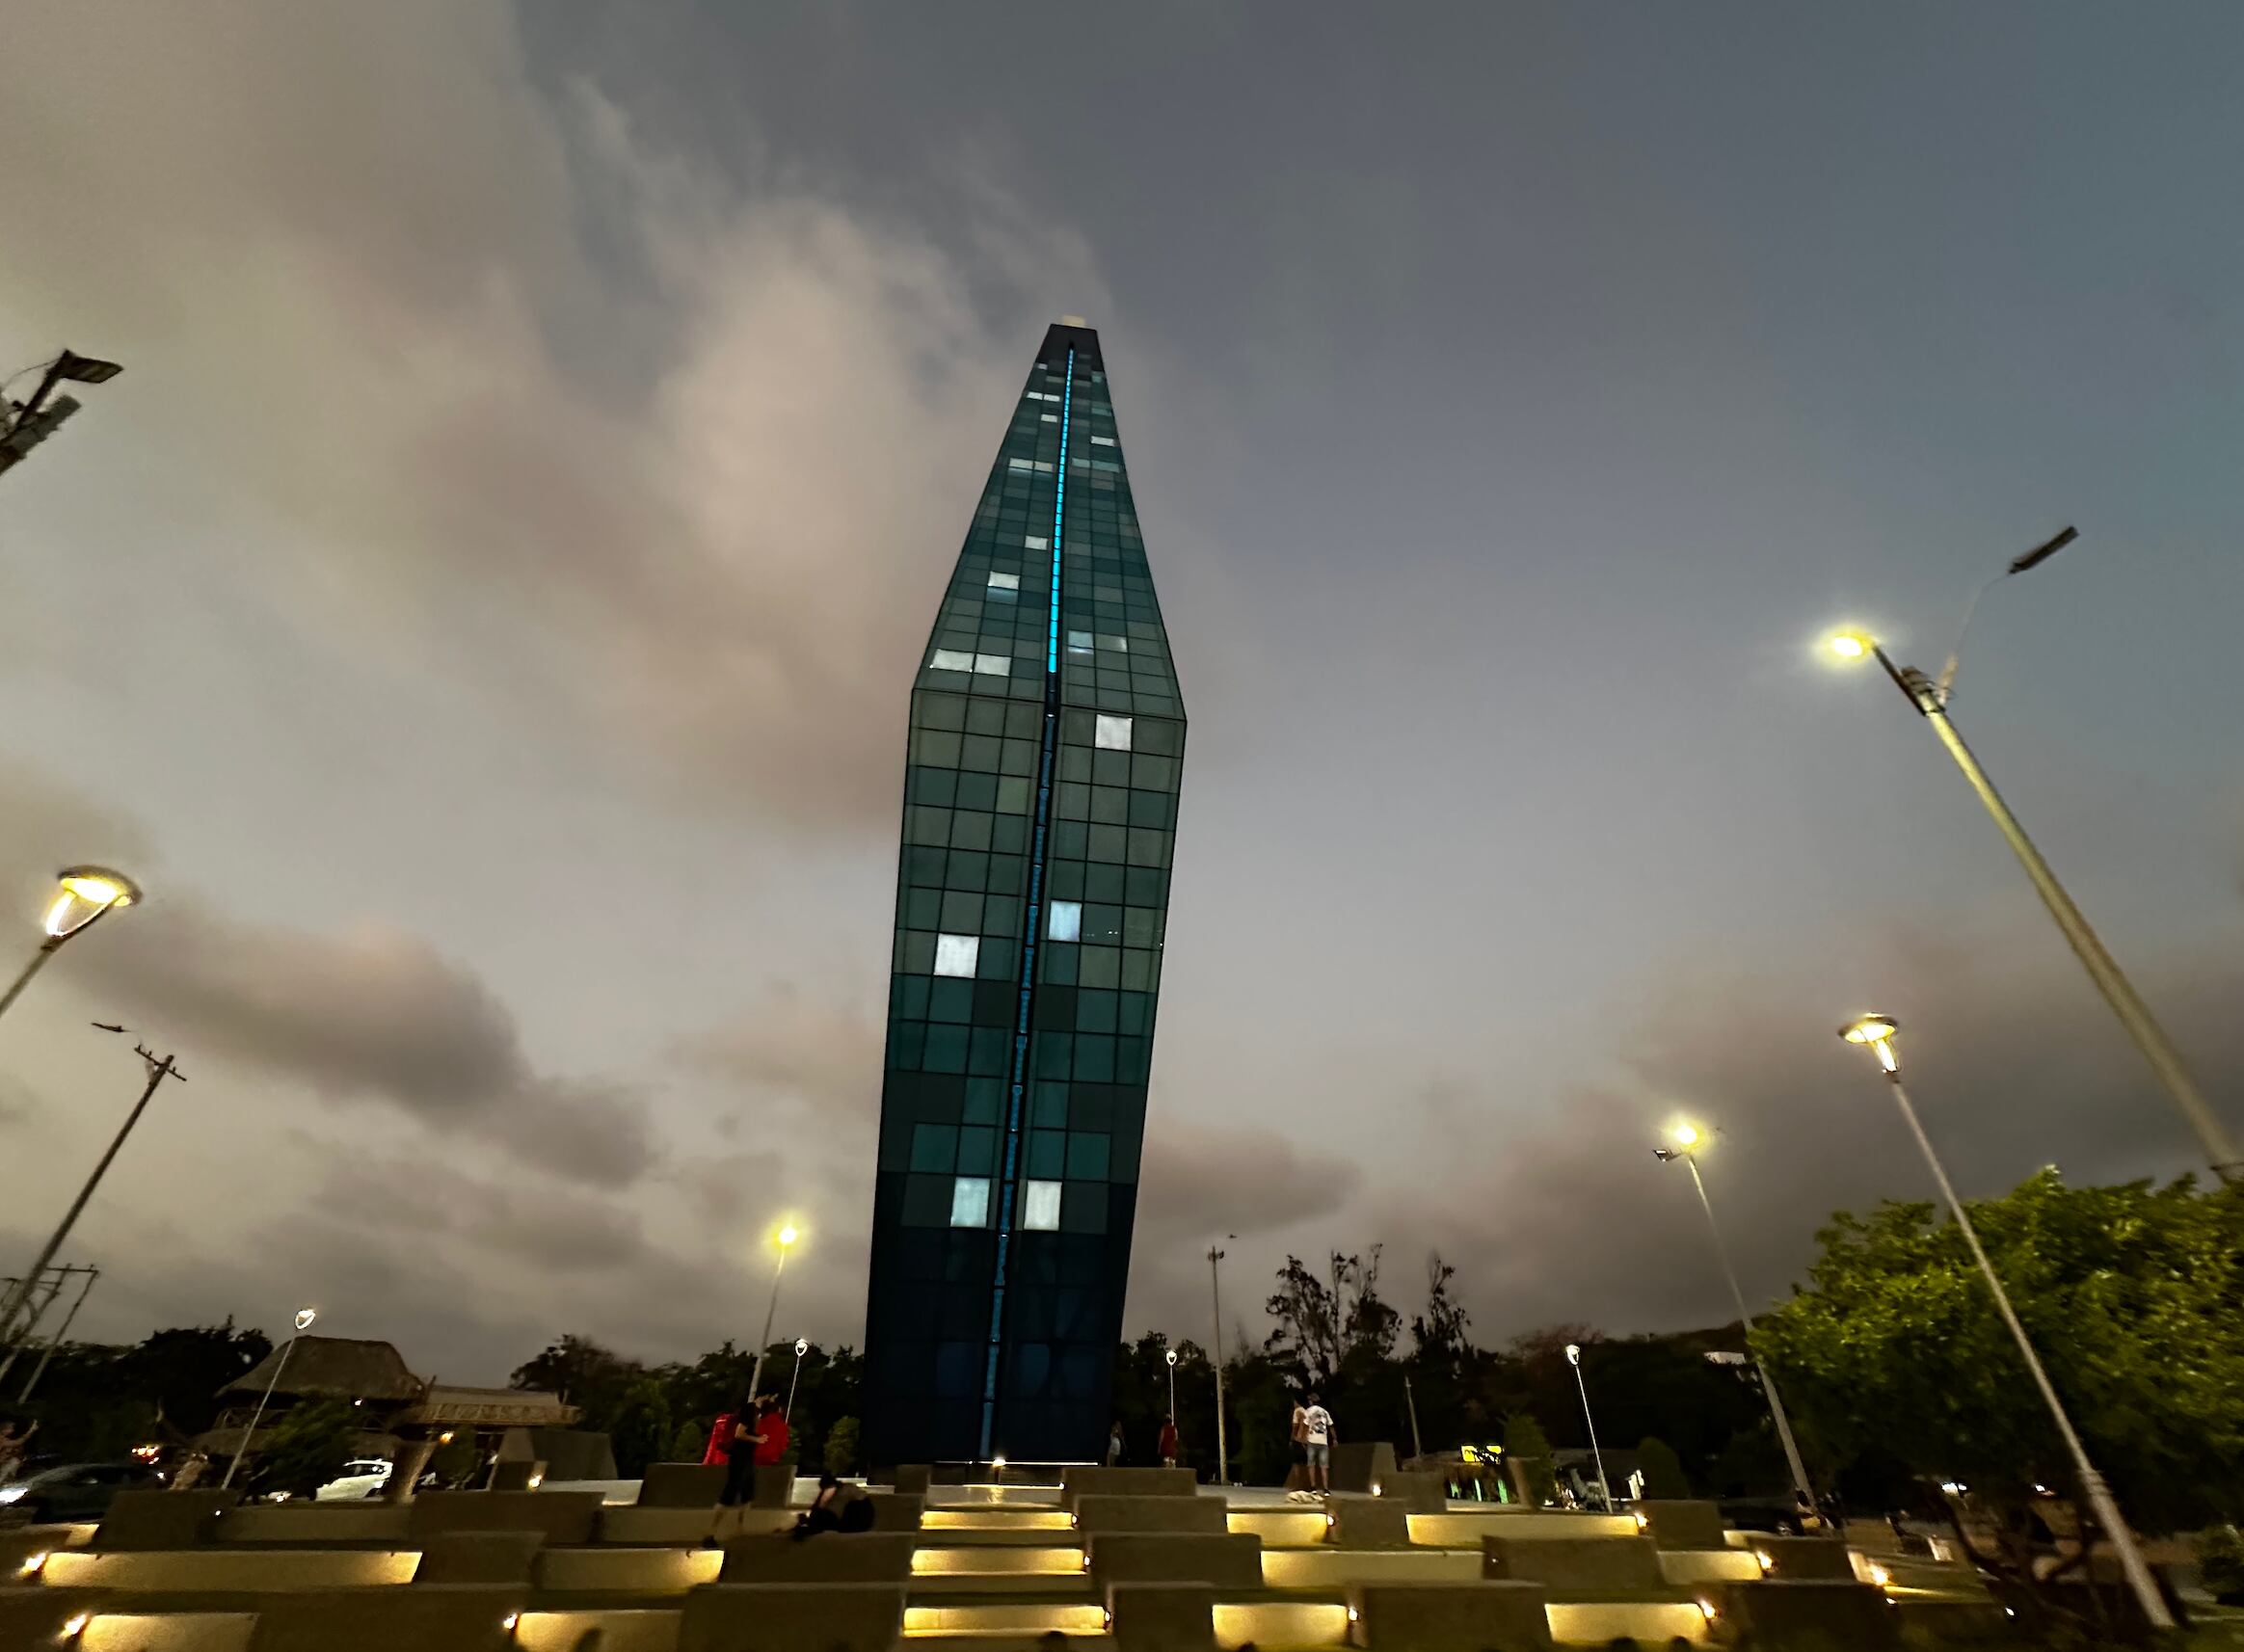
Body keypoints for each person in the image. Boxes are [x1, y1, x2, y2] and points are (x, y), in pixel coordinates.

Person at [1299, 1392, 1335, 1497]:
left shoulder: (1309, 1411)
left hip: (1312, 1441)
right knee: (1324, 1466)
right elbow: (1331, 1426)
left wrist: (1303, 1438)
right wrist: (1334, 1439)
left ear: (1311, 1401)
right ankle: (1326, 1488)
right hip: (1323, 1442)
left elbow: (1305, 1425)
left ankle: (1313, 1487)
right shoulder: (1325, 1412)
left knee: (1311, 1465)